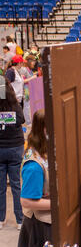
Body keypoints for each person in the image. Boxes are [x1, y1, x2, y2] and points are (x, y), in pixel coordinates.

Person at [17, 110, 57, 247]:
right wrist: (58, 203)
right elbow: (26, 200)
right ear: (44, 129)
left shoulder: (48, 150)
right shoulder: (34, 164)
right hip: (41, 222)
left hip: (51, 219)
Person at [0, 78, 24, 230]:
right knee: (16, 185)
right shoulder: (15, 105)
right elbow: (21, 120)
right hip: (15, 148)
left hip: (0, 149)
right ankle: (20, 220)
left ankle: (1, 219)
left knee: (1, 187)